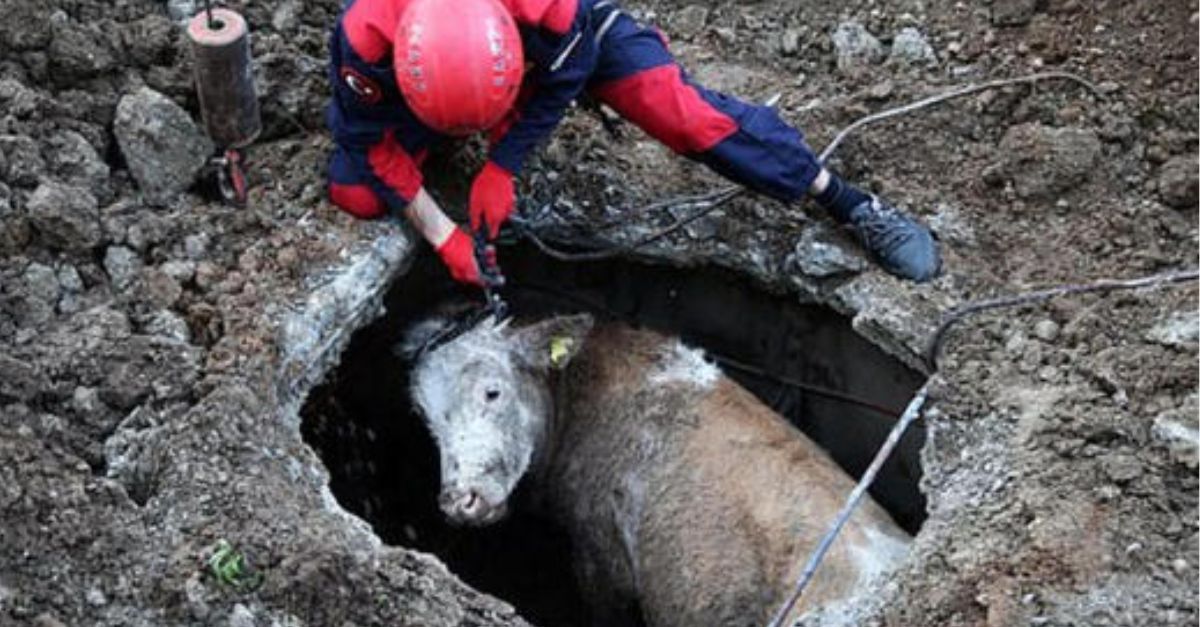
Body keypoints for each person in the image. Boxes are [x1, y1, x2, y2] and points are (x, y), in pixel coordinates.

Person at [326, 0, 941, 285]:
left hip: (563, 47)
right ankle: (446, 141)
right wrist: (444, 235)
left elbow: (568, 71)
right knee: (355, 190)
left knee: (687, 116)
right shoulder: (364, 39)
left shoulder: (552, 12)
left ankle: (850, 203)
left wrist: (505, 163)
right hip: (440, 88)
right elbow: (366, 139)